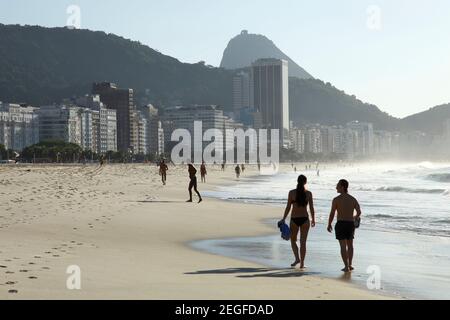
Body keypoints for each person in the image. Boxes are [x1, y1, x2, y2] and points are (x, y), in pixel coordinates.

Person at [279, 175, 316, 269]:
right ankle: (302, 263)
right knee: (303, 242)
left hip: (294, 219)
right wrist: (313, 219)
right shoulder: (308, 193)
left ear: (297, 181)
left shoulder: (291, 193)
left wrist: (284, 218)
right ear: (305, 182)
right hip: (305, 219)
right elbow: (311, 208)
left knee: (293, 240)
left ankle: (297, 259)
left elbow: (288, 207)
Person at [327, 179, 362, 273]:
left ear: (342, 187)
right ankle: (350, 264)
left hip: (341, 224)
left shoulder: (336, 199)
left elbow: (332, 213)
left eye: (337, 185)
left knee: (343, 246)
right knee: (350, 245)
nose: (336, 187)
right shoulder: (352, 199)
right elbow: (359, 212)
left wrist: (329, 224)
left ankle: (346, 266)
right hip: (350, 224)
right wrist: (354, 217)